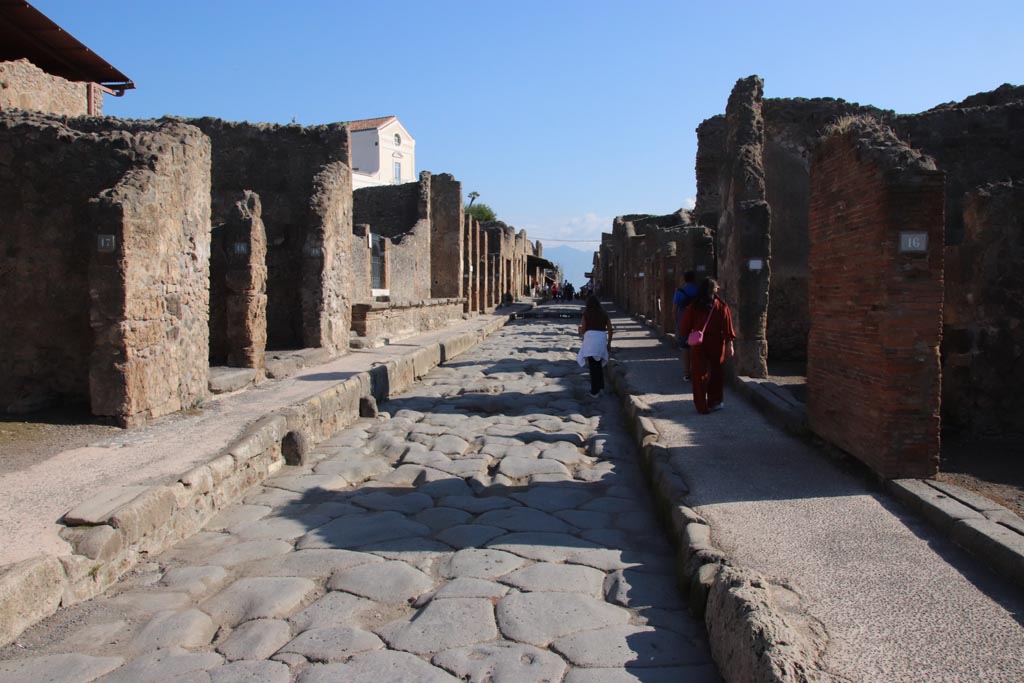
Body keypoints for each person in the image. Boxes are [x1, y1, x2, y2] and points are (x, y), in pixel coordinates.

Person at [678, 278, 735, 414]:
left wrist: (686, 336)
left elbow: (684, 327)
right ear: (712, 289)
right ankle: (714, 401)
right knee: (716, 372)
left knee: (698, 374)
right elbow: (727, 327)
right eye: (716, 287)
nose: (718, 289)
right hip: (715, 342)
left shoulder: (693, 306)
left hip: (698, 343)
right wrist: (729, 343)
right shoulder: (721, 306)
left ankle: (701, 405)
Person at [577, 295, 613, 397]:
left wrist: (579, 330)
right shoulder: (604, 313)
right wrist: (609, 343)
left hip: (590, 340)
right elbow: (610, 329)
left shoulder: (586, 313)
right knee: (598, 364)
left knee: (593, 365)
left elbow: (583, 329)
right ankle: (601, 386)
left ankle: (594, 391)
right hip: (601, 338)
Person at [673, 270, 699, 381]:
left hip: (683, 322)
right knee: (696, 346)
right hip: (697, 322)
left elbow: (674, 310)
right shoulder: (699, 290)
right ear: (694, 279)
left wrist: (676, 322)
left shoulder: (679, 292)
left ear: (684, 279)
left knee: (685, 348)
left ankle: (686, 373)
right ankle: (696, 370)